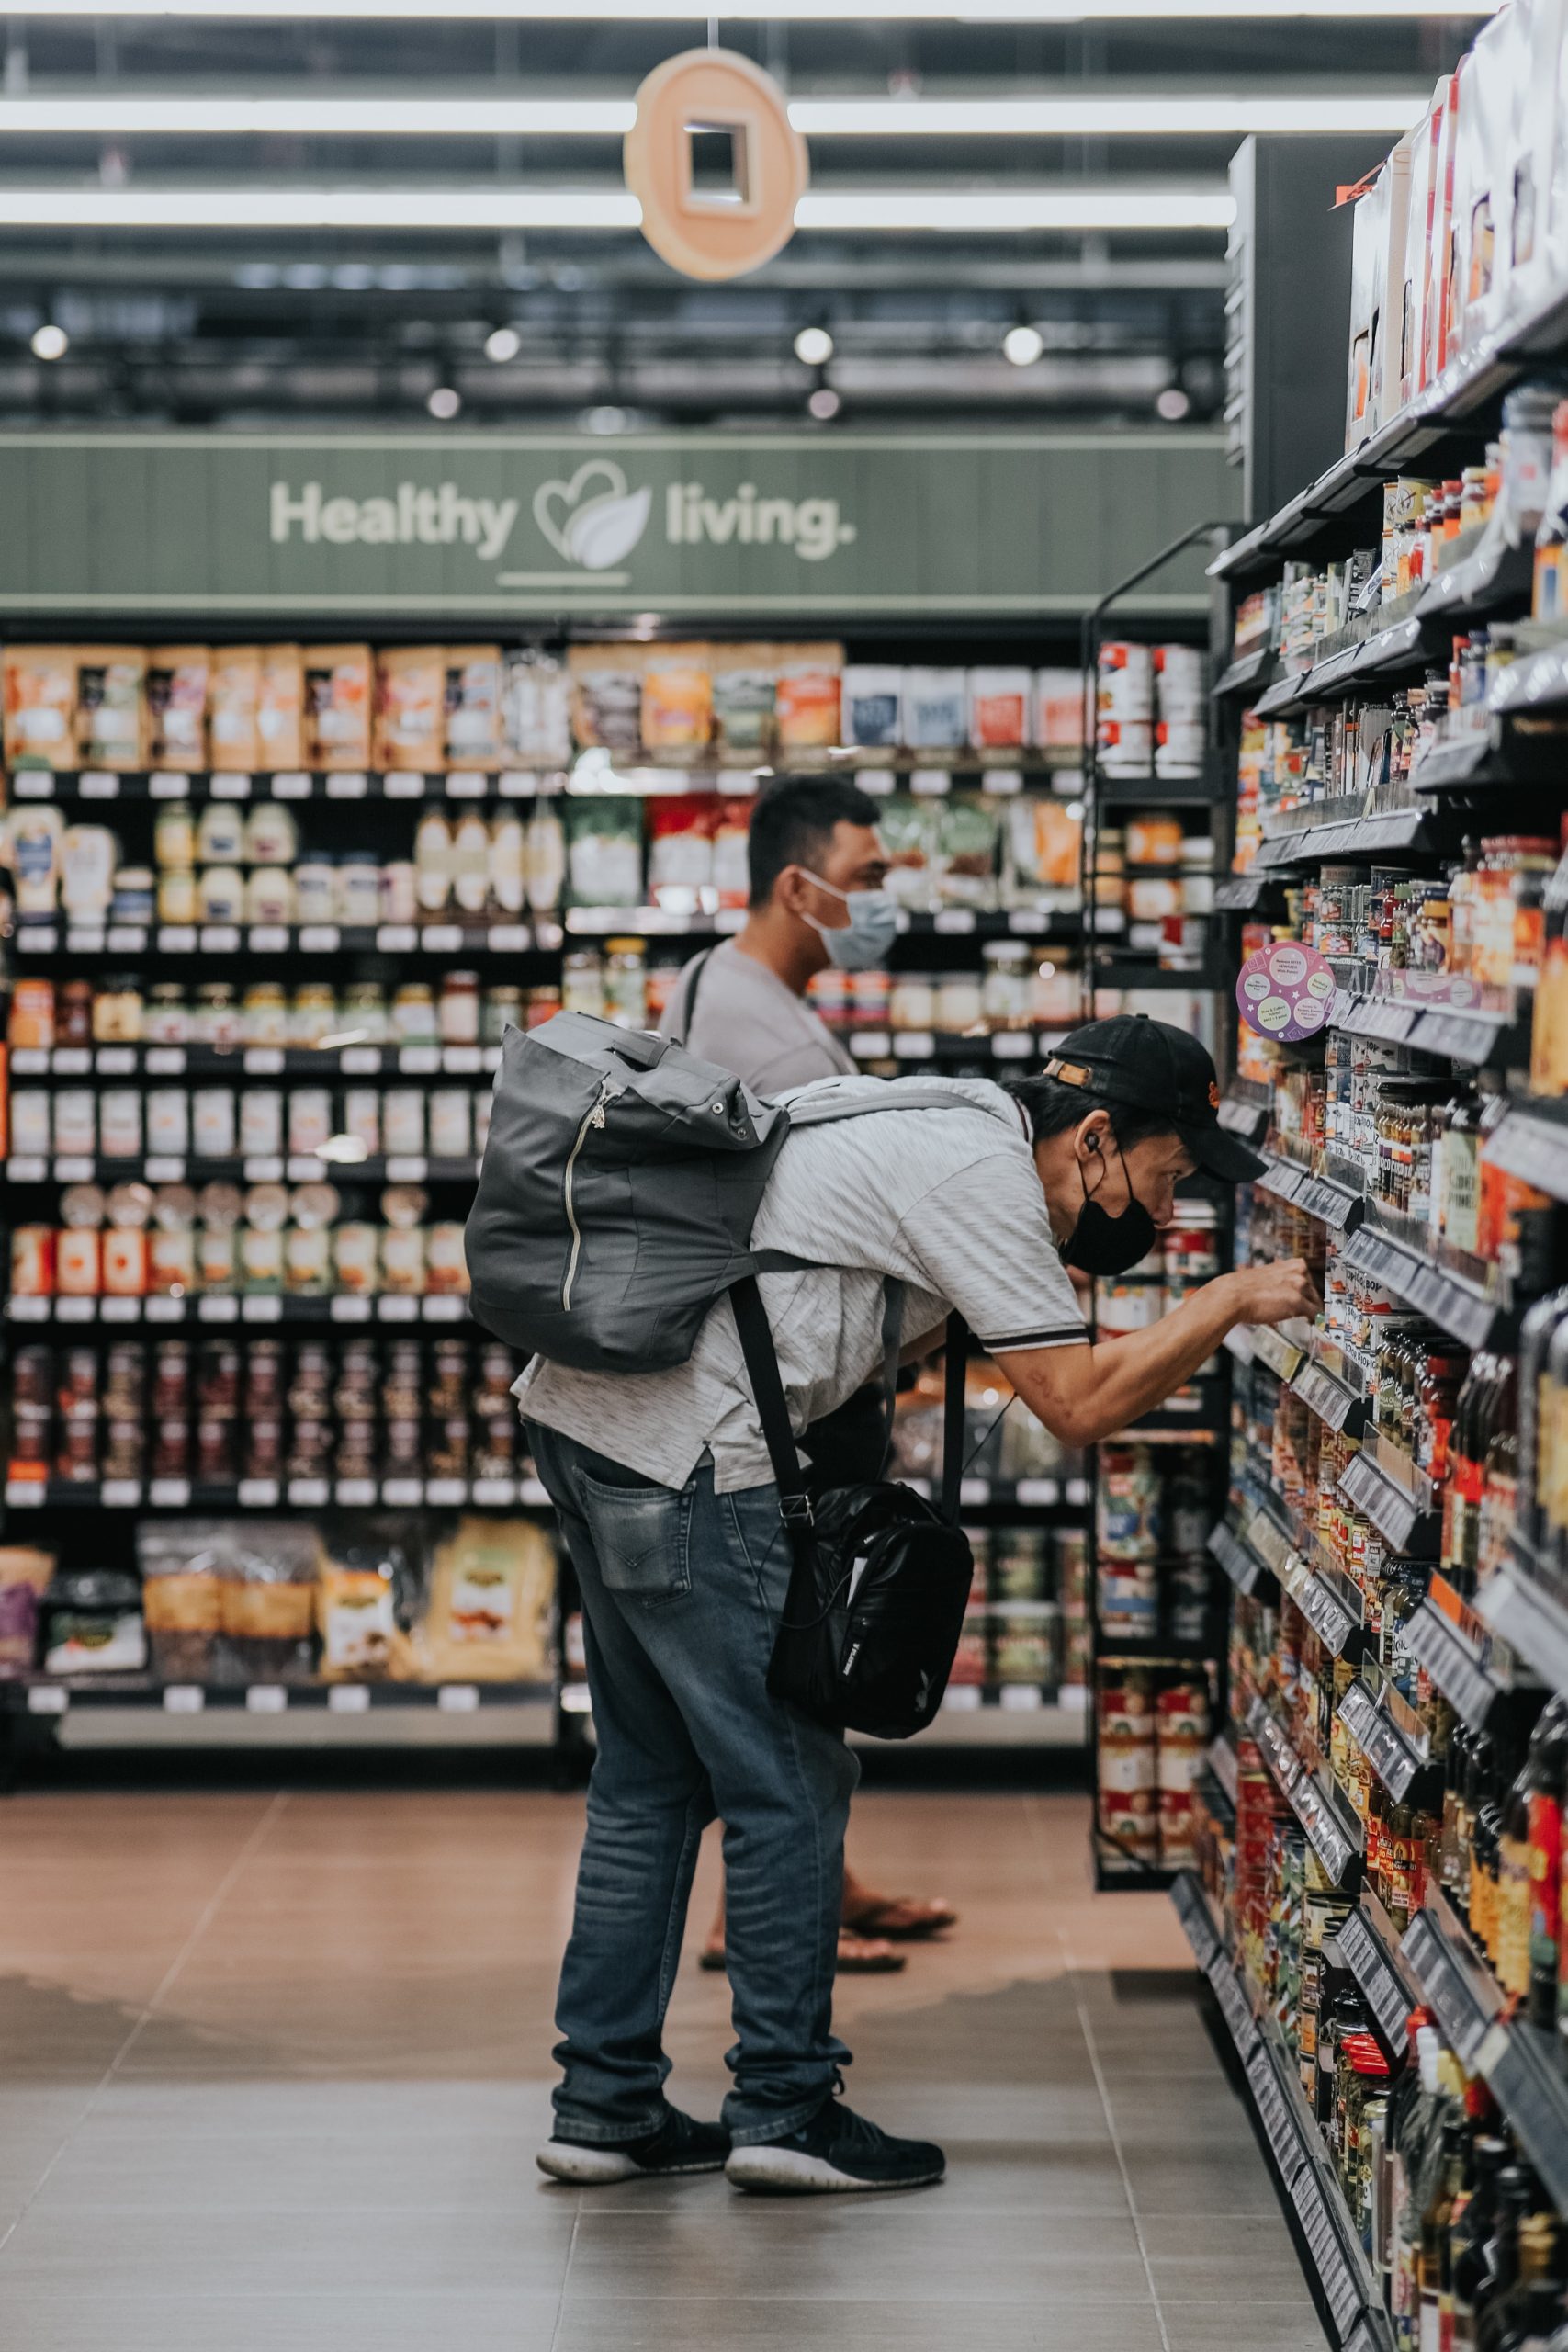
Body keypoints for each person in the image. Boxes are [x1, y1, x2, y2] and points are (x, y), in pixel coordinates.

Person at [524, 998, 1316, 2197]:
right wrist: (1226, 1302)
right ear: (1094, 1138)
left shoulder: (942, 1113)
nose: (1166, 1212)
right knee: (789, 1781)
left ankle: (605, 2106)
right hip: (693, 1458)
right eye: (1165, 1178)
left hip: (590, 1424)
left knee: (650, 1777)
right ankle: (784, 2107)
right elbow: (1079, 1402)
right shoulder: (983, 1174)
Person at [665, 775, 956, 1977]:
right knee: (798, 1658)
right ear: (802, 884)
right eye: (872, 876)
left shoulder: (715, 981)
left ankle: (820, 1884)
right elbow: (840, 1228)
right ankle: (771, 1925)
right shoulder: (776, 1034)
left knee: (789, 1665)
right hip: (775, 1397)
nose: (885, 899)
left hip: (736, 1378)